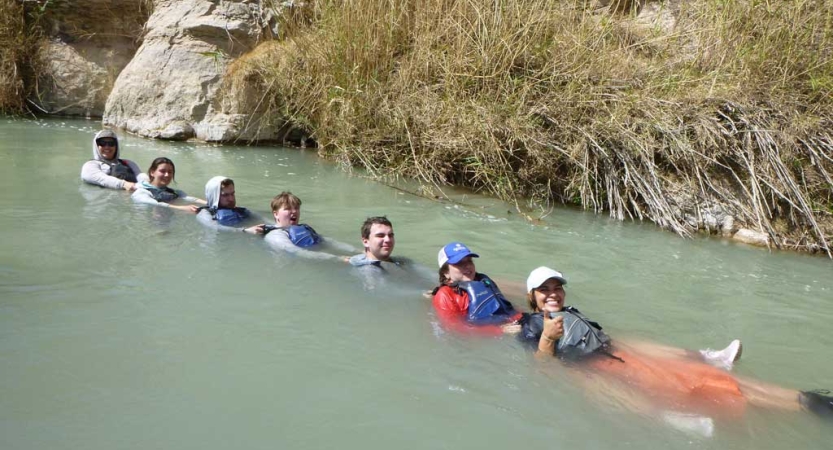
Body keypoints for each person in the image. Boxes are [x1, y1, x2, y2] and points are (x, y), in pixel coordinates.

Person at [521, 266, 833, 422]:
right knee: (680, 392)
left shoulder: (571, 312)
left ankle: (809, 401)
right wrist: (548, 338)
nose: (553, 293)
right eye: (544, 290)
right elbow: (542, 366)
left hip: (617, 355)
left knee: (711, 381)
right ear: (531, 296)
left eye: (557, 288)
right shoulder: (531, 324)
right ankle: (670, 419)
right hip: (590, 368)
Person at [431, 242, 523, 335]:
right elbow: (455, 327)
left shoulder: (483, 281)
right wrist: (500, 330)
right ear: (446, 272)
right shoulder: (445, 295)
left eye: (469, 261)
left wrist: (521, 317)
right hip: (485, 335)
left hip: (507, 324)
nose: (467, 266)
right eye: (459, 263)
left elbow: (505, 306)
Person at [260, 191, 356, 259]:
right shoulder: (275, 235)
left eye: (296, 208)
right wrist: (336, 258)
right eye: (288, 209)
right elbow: (296, 251)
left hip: (319, 256)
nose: (294, 211)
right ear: (276, 214)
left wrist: (356, 250)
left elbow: (328, 241)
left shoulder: (304, 228)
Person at [131, 157, 206, 212]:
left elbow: (188, 198)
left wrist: (210, 203)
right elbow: (153, 203)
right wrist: (182, 208)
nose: (167, 175)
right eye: (162, 171)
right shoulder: (141, 192)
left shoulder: (174, 192)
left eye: (170, 172)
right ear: (152, 172)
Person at [197, 176, 263, 231]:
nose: (231, 199)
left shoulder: (241, 211)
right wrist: (245, 230)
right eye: (225, 195)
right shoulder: (205, 213)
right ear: (214, 196)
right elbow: (213, 226)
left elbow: (262, 220)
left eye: (232, 194)